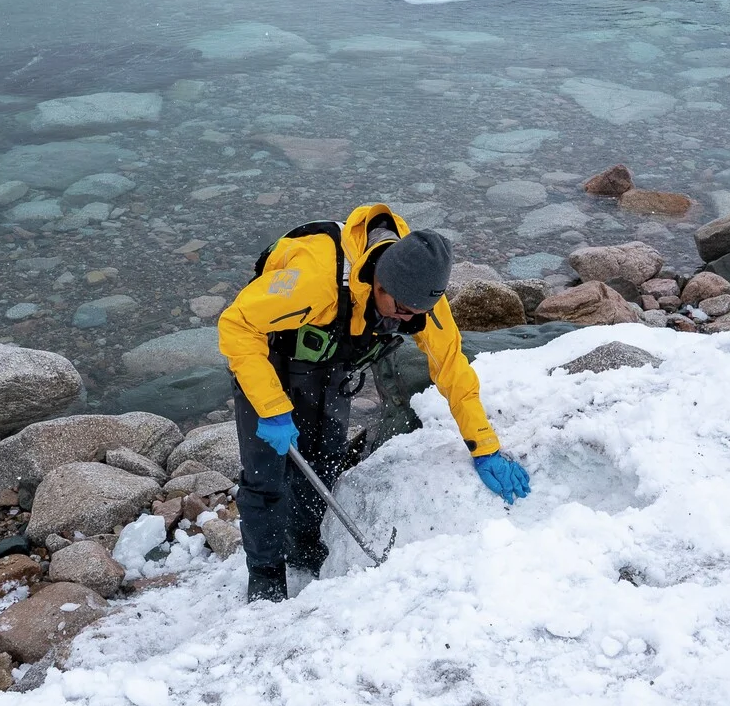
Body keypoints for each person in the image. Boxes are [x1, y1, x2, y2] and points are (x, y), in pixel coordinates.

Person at [218, 203, 530, 602]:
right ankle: (265, 579)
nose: (406, 323)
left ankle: (305, 548)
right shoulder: (315, 281)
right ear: (378, 283)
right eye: (401, 311)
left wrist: (485, 447)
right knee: (266, 475)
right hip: (267, 354)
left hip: (329, 360)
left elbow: (453, 369)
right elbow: (236, 325)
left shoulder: (419, 302)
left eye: (418, 315)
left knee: (322, 459)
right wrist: (271, 405)